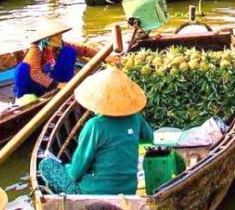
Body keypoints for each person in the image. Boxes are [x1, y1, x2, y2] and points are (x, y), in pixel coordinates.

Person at [37, 67, 152, 196]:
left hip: (95, 192)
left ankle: (70, 200)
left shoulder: (95, 126)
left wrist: (67, 167)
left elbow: (75, 173)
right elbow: (149, 137)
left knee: (46, 164)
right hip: (128, 190)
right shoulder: (135, 117)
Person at [14, 25, 98, 99]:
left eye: (60, 35)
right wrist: (58, 85)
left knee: (70, 50)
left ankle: (66, 83)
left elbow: (82, 49)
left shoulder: (59, 44)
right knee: (23, 68)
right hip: (32, 82)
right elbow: (35, 74)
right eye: (57, 36)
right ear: (47, 38)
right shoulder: (36, 48)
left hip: (48, 77)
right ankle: (23, 96)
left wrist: (103, 56)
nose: (60, 37)